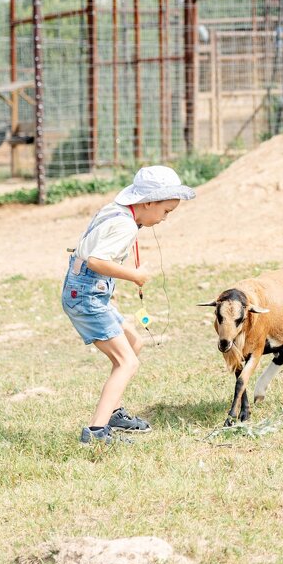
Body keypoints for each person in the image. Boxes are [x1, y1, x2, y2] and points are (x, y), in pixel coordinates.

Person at [61, 165, 195, 444]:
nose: (165, 218)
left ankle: (114, 412)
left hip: (90, 293)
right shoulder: (124, 224)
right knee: (127, 362)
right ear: (147, 202)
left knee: (134, 342)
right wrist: (134, 275)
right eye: (166, 211)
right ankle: (96, 432)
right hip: (87, 297)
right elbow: (96, 261)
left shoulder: (120, 213)